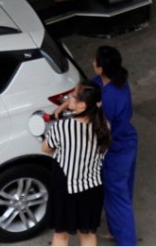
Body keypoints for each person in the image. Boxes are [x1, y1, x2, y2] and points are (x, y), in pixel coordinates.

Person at [42, 83, 111, 246]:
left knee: (61, 235)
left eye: (72, 96)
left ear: (82, 105)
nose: (68, 99)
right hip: (92, 188)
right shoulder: (104, 126)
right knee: (87, 234)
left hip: (65, 187)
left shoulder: (63, 127)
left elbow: (45, 148)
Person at [93, 46, 138, 246]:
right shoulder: (115, 82)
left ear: (102, 68)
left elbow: (103, 127)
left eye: (96, 61)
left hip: (115, 149)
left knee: (117, 196)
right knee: (121, 191)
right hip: (127, 141)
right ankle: (114, 231)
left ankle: (127, 241)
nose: (92, 62)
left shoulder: (110, 97)